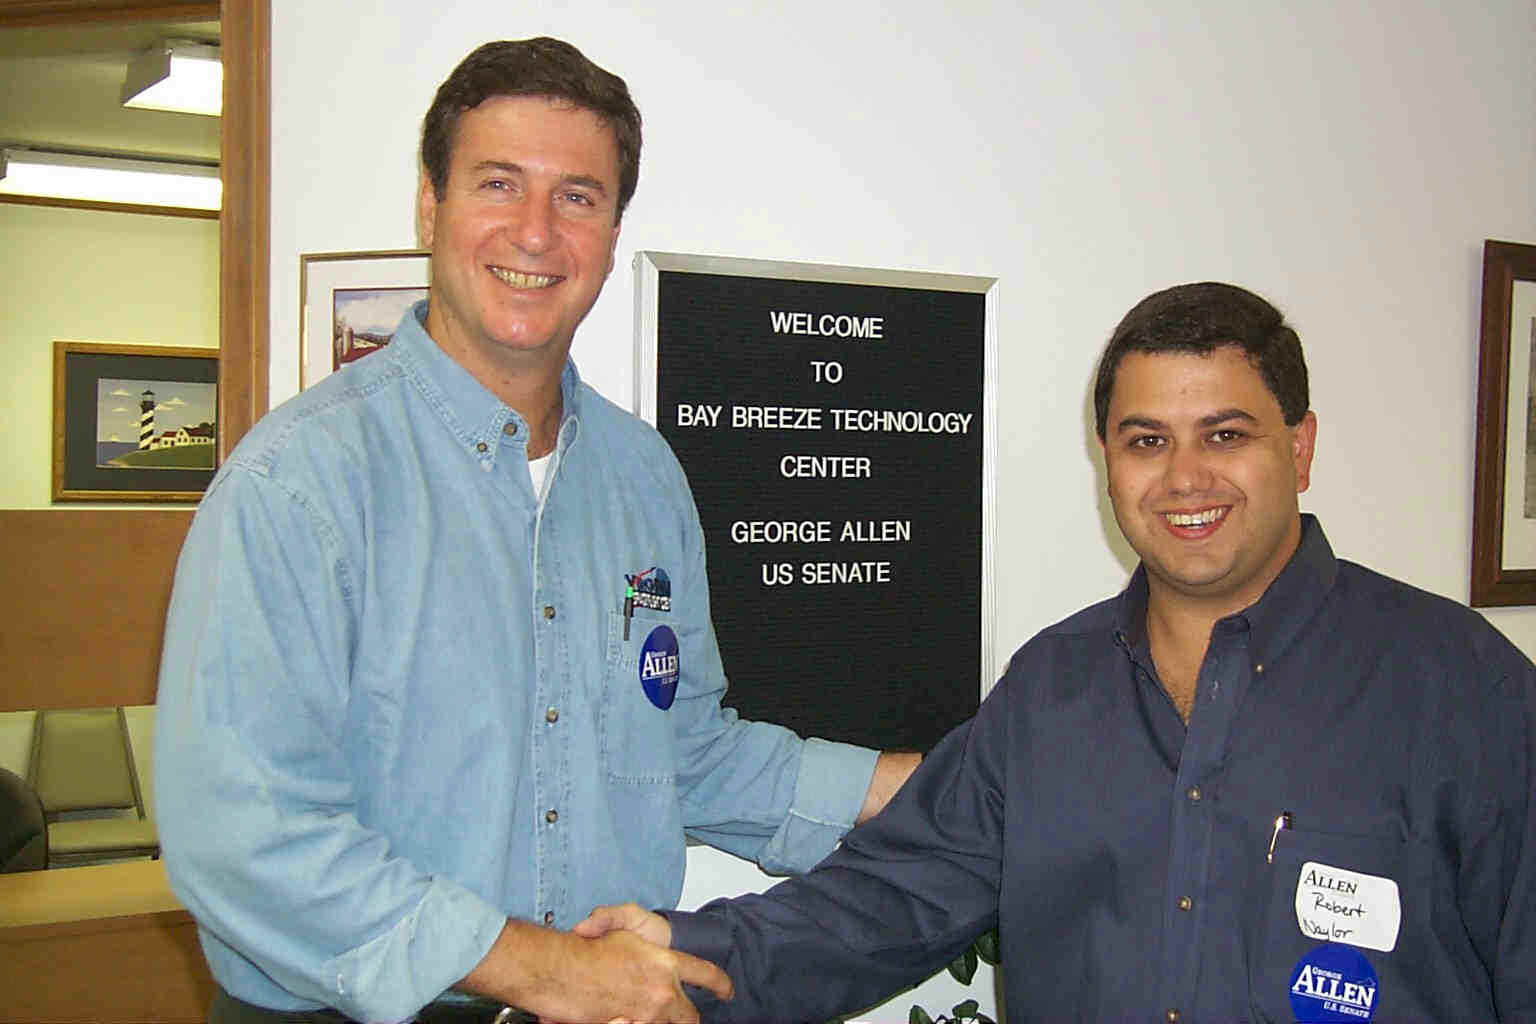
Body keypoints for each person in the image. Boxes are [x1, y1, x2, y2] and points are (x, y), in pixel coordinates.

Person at [155, 37, 917, 1024]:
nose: (535, 232)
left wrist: (931, 788)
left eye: (577, 197)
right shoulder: (298, 484)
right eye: (498, 184)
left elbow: (686, 755)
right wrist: (541, 968)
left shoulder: (644, 478)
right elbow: (243, 838)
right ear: (430, 206)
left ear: (611, 232)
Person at [580, 282, 1536, 1021]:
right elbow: (888, 900)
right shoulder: (1052, 689)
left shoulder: (1465, 690)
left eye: (1225, 434)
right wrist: (677, 957)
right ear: (1107, 461)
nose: (1185, 477)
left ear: (1301, 447)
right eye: (1146, 440)